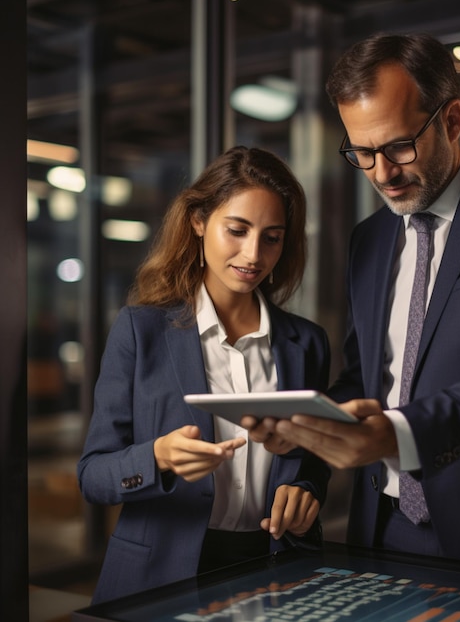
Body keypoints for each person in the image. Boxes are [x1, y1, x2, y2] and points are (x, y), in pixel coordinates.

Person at [243, 33, 460, 576]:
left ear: (452, 120)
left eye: (398, 147)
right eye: (362, 153)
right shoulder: (370, 239)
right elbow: (365, 377)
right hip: (378, 527)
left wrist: (401, 431)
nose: (382, 174)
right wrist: (303, 429)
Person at [77, 146, 331, 603]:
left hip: (276, 570)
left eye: (271, 237)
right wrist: (156, 457)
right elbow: (93, 475)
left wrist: (306, 491)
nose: (253, 254)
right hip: (159, 575)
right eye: (237, 230)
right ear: (198, 221)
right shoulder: (141, 330)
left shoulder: (306, 344)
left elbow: (312, 457)